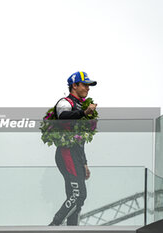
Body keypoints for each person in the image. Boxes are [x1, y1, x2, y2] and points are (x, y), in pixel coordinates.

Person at [49, 71, 97, 226]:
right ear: (74, 85)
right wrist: (84, 113)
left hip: (76, 154)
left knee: (75, 196)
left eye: (89, 85)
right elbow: (62, 118)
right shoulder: (65, 102)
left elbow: (80, 139)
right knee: (79, 195)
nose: (88, 88)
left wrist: (84, 163)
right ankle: (54, 225)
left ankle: (71, 229)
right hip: (66, 153)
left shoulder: (80, 105)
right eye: (84, 84)